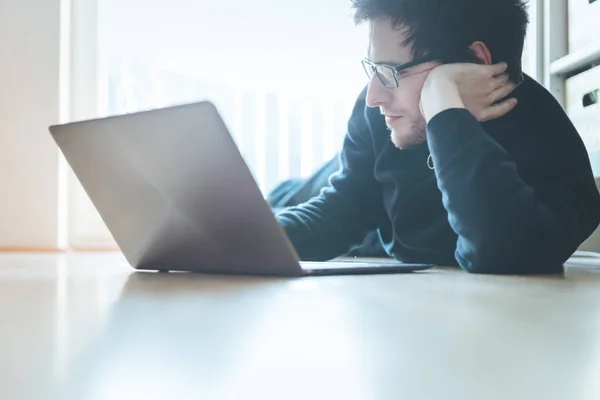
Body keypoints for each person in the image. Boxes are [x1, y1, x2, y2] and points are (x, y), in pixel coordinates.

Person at [274, 0, 600, 274]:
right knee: (283, 198)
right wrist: (245, 236)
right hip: (342, 214)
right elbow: (342, 209)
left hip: (386, 241)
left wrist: (444, 103)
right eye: (373, 68)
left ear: (474, 62)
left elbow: (503, 252)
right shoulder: (377, 111)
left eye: (392, 71)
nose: (374, 96)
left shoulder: (549, 143)